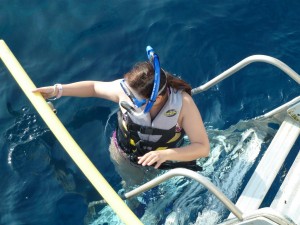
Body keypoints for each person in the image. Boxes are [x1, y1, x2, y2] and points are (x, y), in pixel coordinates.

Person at [33, 46, 210, 188]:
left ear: (159, 98)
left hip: (169, 157)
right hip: (126, 156)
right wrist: (57, 90)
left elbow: (202, 147)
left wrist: (167, 155)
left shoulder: (183, 104)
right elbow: (94, 88)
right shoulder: (126, 89)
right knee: (133, 191)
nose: (130, 101)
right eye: (129, 95)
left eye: (137, 101)